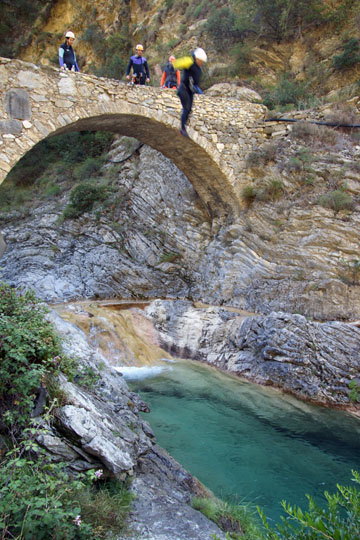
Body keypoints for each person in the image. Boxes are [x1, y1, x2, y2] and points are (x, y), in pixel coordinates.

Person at [173, 48, 207, 137]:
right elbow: (177, 63)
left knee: (189, 110)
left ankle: (183, 127)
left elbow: (195, 84)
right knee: (186, 107)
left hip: (190, 90)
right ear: (197, 59)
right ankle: (182, 128)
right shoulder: (190, 62)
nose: (202, 63)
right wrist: (172, 66)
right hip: (183, 88)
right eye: (201, 61)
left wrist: (200, 92)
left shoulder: (199, 70)